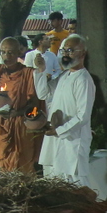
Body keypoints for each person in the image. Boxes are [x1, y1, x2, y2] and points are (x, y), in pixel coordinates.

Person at [35, 34, 94, 184]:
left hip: (73, 140)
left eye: (71, 50)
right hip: (56, 139)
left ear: (83, 54)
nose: (66, 54)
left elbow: (83, 116)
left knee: (77, 184)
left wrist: (59, 131)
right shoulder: (64, 75)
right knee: (55, 181)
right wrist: (41, 70)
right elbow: (43, 94)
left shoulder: (83, 79)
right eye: (63, 51)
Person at [0, 37, 44, 172]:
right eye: (3, 52)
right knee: (4, 160)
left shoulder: (27, 73)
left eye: (11, 52)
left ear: (19, 52)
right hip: (2, 122)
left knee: (23, 161)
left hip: (21, 123)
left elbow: (35, 102)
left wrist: (19, 112)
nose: (7, 56)